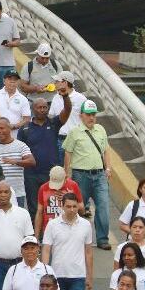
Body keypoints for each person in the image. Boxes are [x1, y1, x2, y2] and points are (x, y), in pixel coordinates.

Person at [63, 99, 112, 249]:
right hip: (80, 176)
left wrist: (108, 168)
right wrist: (67, 174)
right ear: (81, 115)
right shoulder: (74, 132)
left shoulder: (101, 130)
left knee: (103, 206)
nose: (91, 118)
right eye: (88, 114)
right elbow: (68, 153)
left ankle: (102, 239)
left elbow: (106, 150)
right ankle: (75, 237)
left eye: (93, 115)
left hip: (99, 175)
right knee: (78, 208)